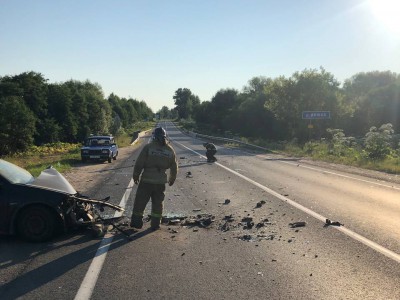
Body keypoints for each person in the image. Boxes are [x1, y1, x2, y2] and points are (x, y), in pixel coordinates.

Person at [130, 127, 178, 230]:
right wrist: (172, 178)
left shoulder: (149, 147)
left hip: (146, 180)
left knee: (140, 202)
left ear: (154, 136)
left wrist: (136, 175)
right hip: (160, 182)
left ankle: (136, 222)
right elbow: (174, 166)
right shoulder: (169, 150)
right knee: (158, 204)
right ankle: (155, 224)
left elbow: (139, 163)